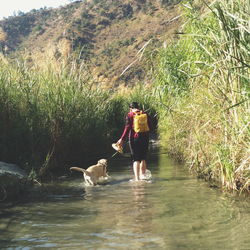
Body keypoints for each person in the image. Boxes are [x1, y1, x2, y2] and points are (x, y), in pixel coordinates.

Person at [116, 102, 151, 181]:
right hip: (145, 138)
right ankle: (143, 176)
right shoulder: (145, 113)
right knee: (143, 158)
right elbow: (150, 125)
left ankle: (137, 179)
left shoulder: (130, 115)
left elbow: (127, 128)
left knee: (136, 159)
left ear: (130, 108)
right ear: (138, 107)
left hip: (135, 139)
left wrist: (122, 139)